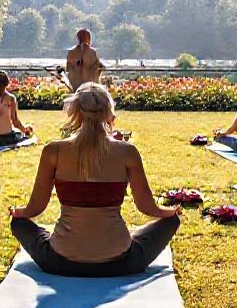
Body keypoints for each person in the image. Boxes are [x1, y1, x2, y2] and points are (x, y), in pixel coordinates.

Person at [9, 83, 181, 277]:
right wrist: (169, 212)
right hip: (121, 263)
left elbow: (35, 208)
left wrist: (17, 212)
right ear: (109, 113)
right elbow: (147, 207)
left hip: (59, 262)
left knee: (19, 223)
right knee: (170, 221)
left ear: (75, 113)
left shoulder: (53, 150)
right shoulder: (127, 152)